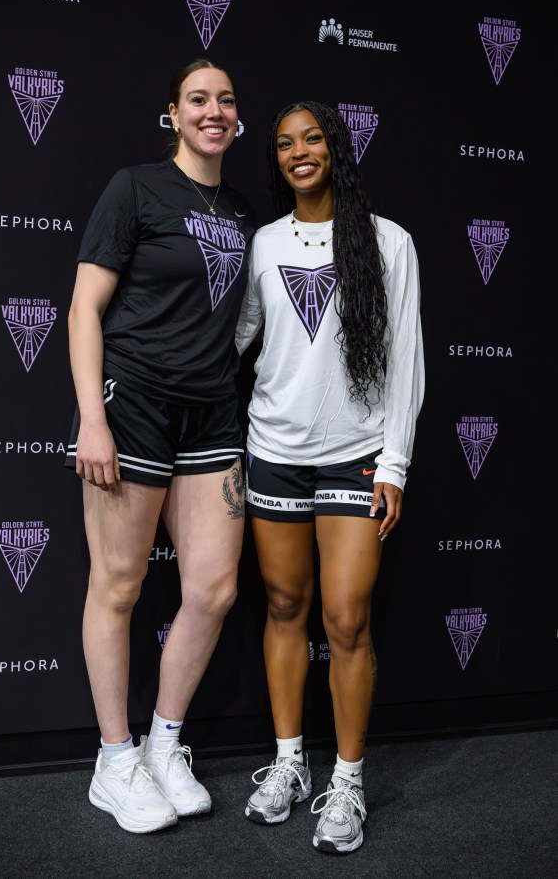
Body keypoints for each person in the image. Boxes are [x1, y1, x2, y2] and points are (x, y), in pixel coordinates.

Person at [65, 58, 256, 834]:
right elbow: (84, 306)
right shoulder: (135, 187)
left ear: (237, 119)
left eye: (226, 101)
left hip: (213, 414)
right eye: (198, 100)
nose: (214, 111)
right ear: (173, 113)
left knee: (212, 589)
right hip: (133, 401)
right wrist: (92, 416)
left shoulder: (243, 212)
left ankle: (162, 744)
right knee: (118, 585)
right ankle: (114, 761)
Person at [235, 101, 424, 854]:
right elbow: (244, 336)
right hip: (273, 448)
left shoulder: (388, 243)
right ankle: (289, 766)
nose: (296, 152)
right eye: (284, 143)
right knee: (284, 605)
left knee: (345, 620)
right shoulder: (264, 243)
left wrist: (398, 464)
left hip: (356, 453)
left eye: (311, 139)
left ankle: (346, 782)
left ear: (336, 149)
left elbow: (405, 359)